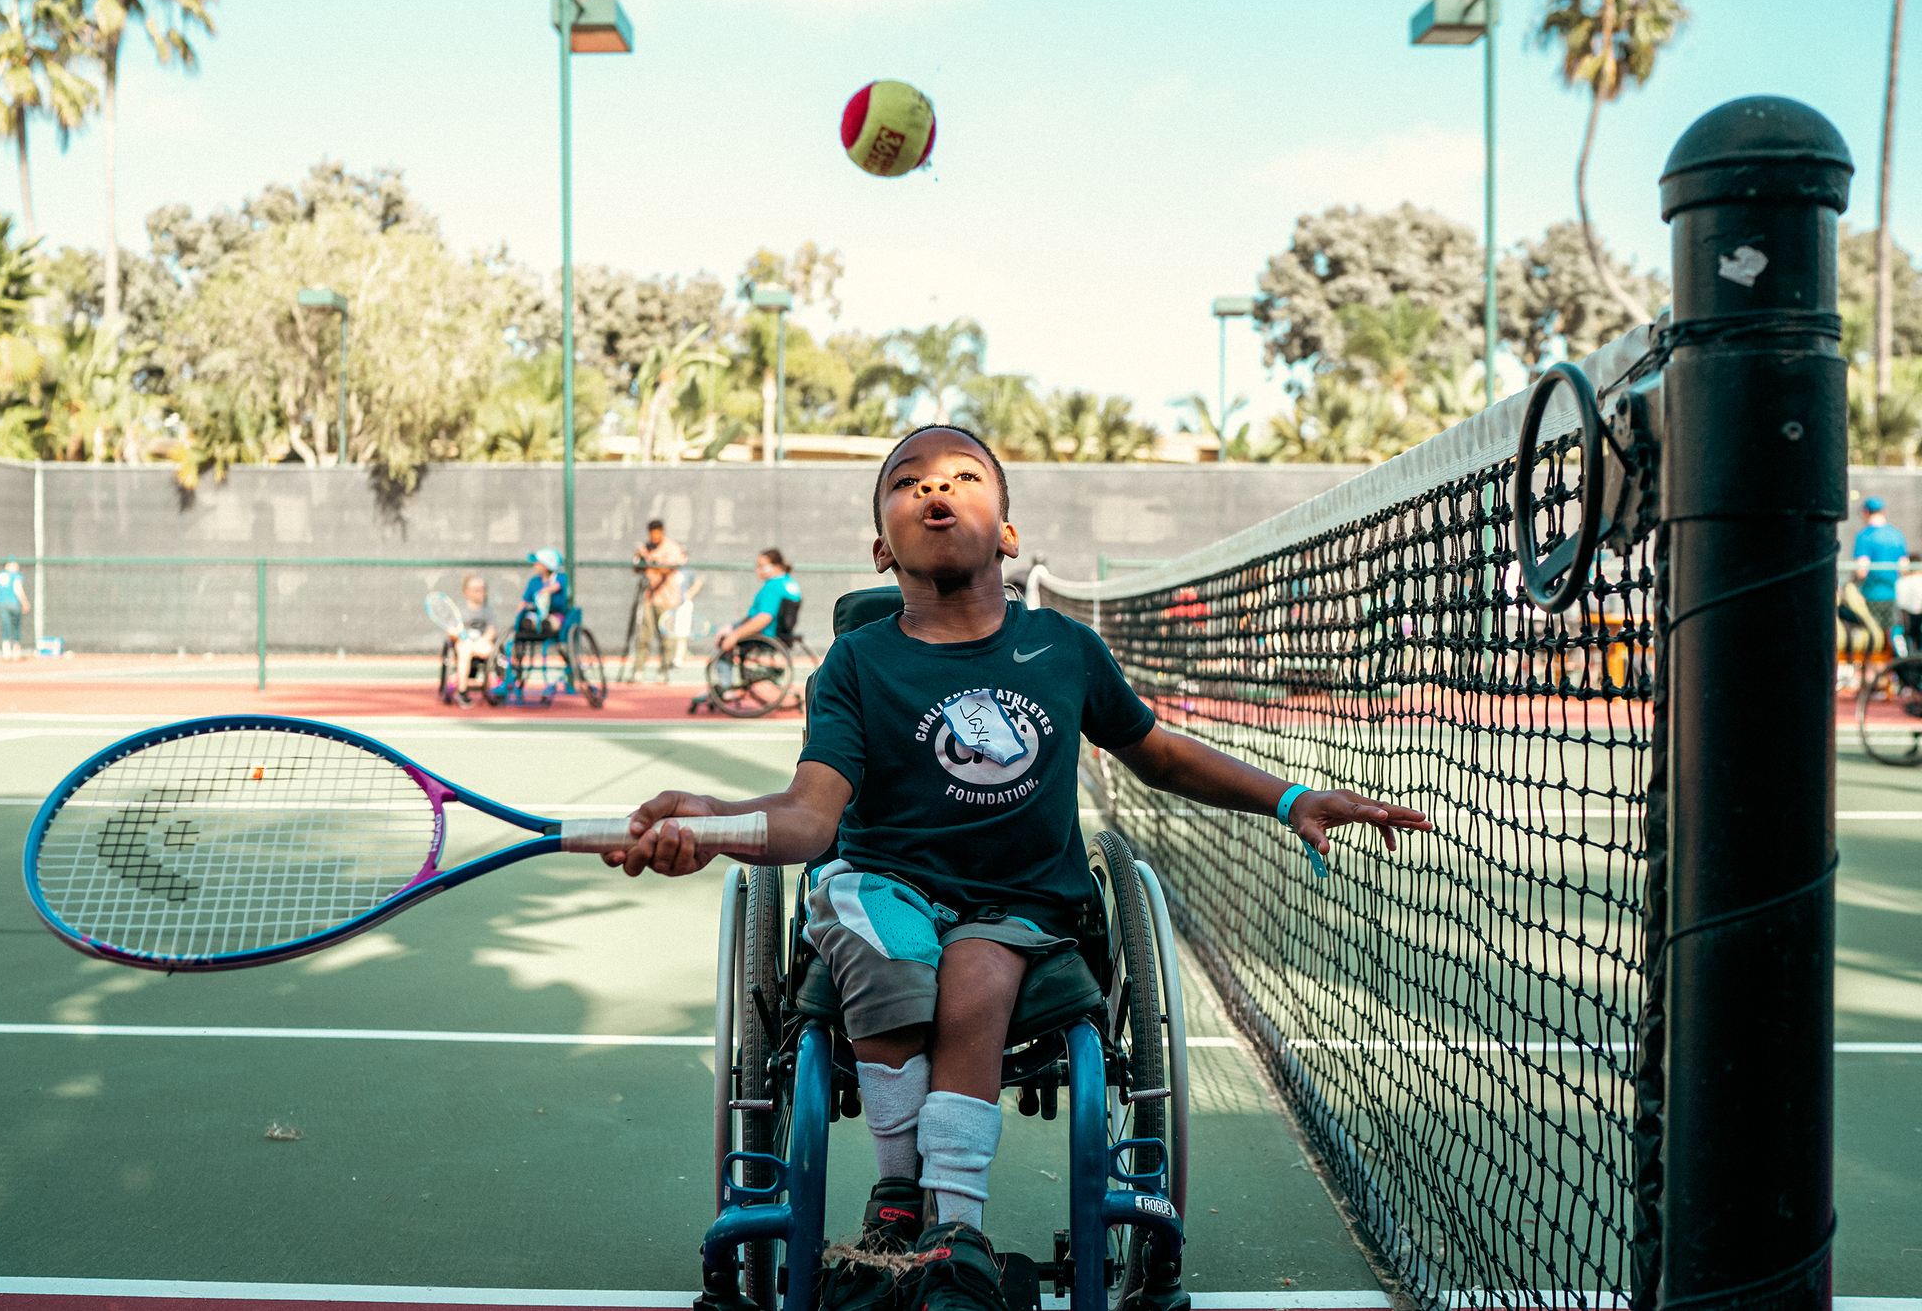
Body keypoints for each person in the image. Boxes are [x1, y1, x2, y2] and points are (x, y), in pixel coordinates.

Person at [601, 424, 1431, 1311]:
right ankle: (895, 1197)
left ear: (1007, 531)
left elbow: (1159, 753)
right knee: (883, 944)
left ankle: (953, 1230)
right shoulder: (856, 663)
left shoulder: (1062, 649)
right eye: (907, 481)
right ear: (882, 546)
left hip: (1022, 904)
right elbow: (810, 816)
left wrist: (1288, 797)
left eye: (963, 476)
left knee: (978, 968)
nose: (934, 490)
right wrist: (711, 819)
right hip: (884, 882)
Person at [710, 549, 801, 686]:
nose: (758, 570)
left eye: (762, 566)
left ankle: (724, 686)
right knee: (725, 630)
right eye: (757, 565)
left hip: (764, 634)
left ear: (776, 567)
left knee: (723, 636)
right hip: (779, 633)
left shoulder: (773, 586)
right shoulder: (789, 583)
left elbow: (764, 618)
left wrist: (734, 635)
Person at [631, 518, 687, 683]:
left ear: (662, 532)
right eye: (652, 533)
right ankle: (638, 672)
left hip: (668, 601)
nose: (655, 536)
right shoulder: (646, 548)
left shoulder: (672, 548)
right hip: (649, 599)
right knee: (643, 636)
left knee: (666, 639)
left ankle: (663, 672)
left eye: (658, 533)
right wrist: (640, 557)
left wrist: (648, 559)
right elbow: (636, 569)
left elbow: (666, 570)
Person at [1854, 497, 1911, 650]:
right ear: (1883, 511)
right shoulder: (1897, 535)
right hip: (1893, 595)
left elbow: (1861, 570)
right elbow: (1904, 568)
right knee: (1892, 637)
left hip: (1871, 596)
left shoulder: (1864, 536)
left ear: (1865, 512)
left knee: (1874, 638)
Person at [447, 574, 498, 703]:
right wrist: (456, 634)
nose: (480, 592)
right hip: (464, 646)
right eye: (475, 590)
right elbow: (451, 631)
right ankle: (462, 690)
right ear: (466, 592)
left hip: (482, 646)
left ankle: (494, 685)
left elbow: (491, 631)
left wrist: (481, 642)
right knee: (464, 650)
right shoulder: (460, 611)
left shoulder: (488, 611)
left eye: (482, 589)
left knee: (490, 649)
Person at [519, 548, 569, 637]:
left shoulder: (560, 577)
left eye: (538, 563)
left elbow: (557, 586)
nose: (535, 565)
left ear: (547, 564)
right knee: (528, 621)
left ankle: (546, 624)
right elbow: (524, 600)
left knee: (550, 623)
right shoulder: (534, 581)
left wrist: (545, 591)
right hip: (537, 614)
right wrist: (518, 615)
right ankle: (531, 624)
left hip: (556, 614)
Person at [0, 560, 29, 661]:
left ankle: (6, 654)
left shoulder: (0, 575)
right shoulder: (16, 575)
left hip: (2, 603)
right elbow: (18, 589)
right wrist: (25, 602)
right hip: (14, 603)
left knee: (5, 627)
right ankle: (16, 653)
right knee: (16, 627)